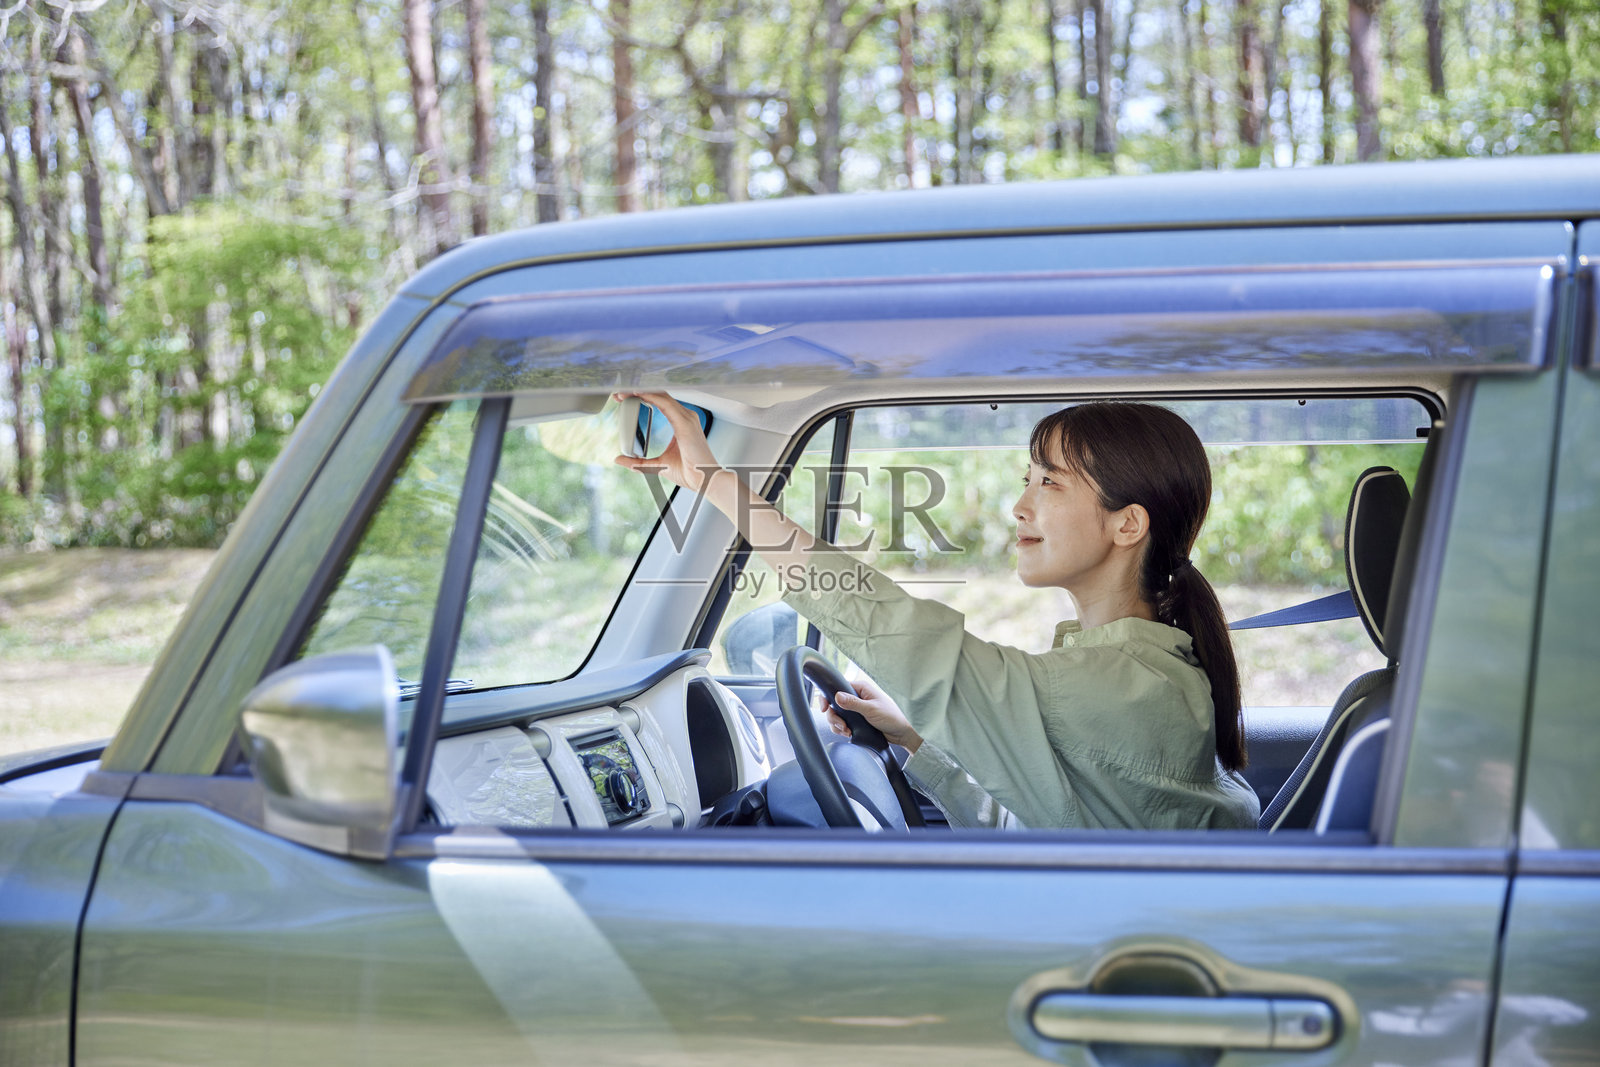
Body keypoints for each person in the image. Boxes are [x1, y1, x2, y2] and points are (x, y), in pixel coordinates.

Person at [615, 393, 1260, 831]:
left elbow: (907, 635)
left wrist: (715, 482)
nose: (1021, 506)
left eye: (1050, 483)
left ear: (1128, 526)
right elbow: (1032, 825)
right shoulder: (1137, 670)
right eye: (1027, 479)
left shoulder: (1119, 688)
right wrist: (915, 738)